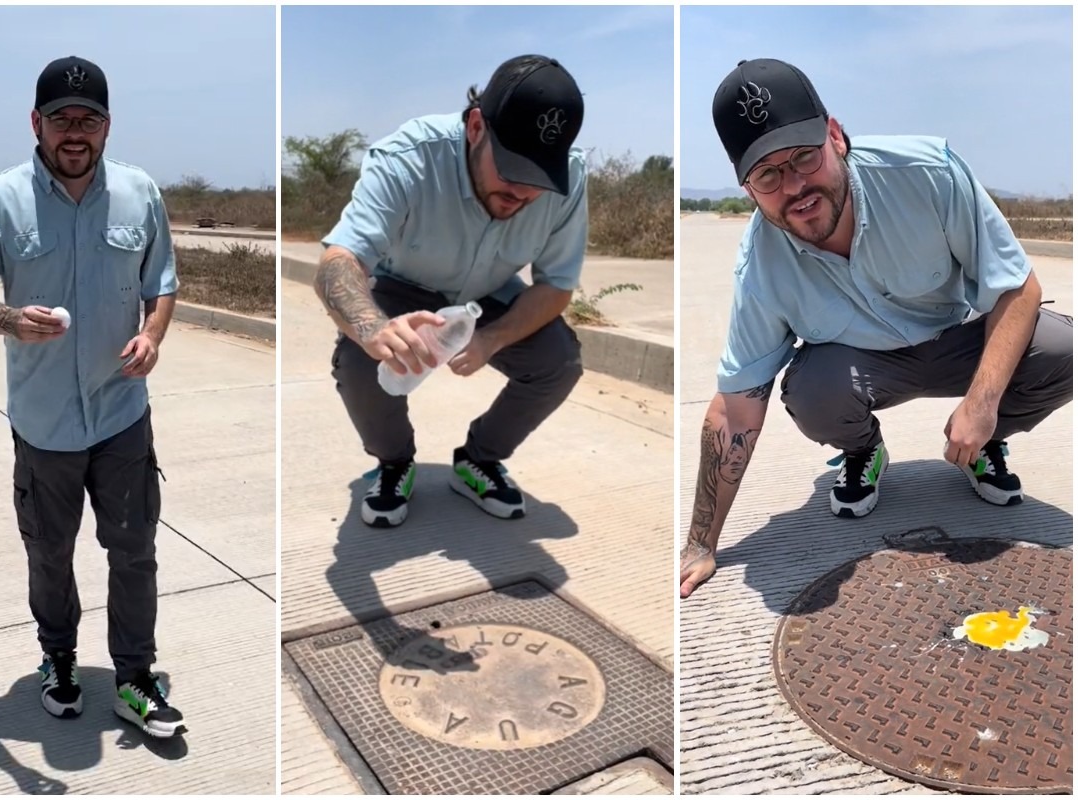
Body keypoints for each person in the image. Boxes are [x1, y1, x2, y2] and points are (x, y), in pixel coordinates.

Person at [680, 58, 1072, 599]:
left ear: (835, 136)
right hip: (862, 368)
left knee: (1063, 348)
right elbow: (736, 406)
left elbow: (1016, 287)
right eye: (768, 174)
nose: (794, 185)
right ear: (748, 189)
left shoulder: (928, 174)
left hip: (962, 339)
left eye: (804, 157)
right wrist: (702, 542)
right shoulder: (760, 265)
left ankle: (984, 442)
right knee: (810, 390)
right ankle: (864, 451)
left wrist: (982, 403)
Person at [0, 55, 185, 737]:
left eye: (89, 119)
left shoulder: (140, 193)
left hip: (121, 413)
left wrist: (154, 335)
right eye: (61, 119)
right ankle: (59, 660)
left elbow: (161, 281)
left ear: (108, 125)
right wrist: (10, 319)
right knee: (50, 553)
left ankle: (135, 678)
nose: (74, 132)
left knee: (133, 549)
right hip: (44, 424)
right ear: (36, 123)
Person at [314, 54, 588, 528]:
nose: (522, 194)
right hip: (402, 286)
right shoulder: (408, 157)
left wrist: (490, 339)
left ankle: (480, 460)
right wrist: (376, 329)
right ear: (477, 127)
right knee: (361, 361)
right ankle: (394, 462)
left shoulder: (573, 178)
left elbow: (557, 285)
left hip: (487, 294)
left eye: (539, 181)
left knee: (559, 360)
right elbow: (338, 264)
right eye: (512, 170)